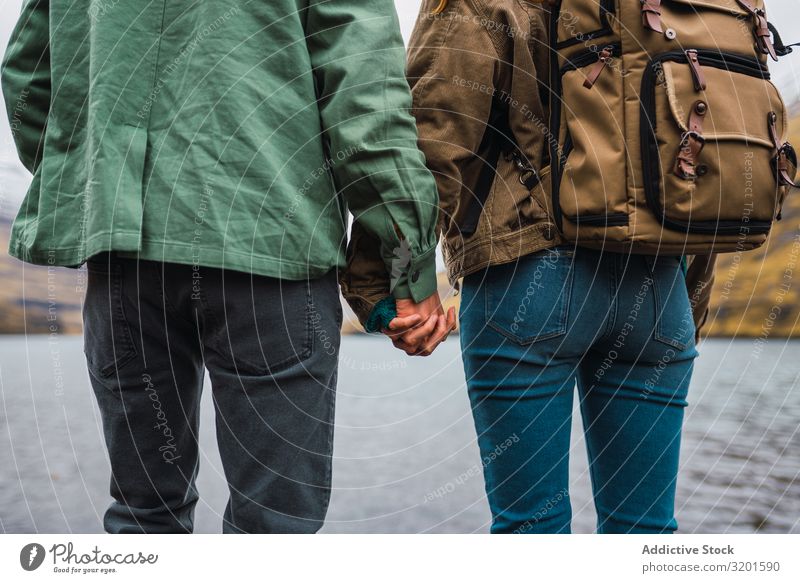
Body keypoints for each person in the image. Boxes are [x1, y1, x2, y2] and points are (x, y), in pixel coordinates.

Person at [2, 0, 454, 533]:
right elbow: (365, 104)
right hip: (271, 249)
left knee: (144, 517)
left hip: (126, 258)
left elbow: (29, 74)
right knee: (273, 528)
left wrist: (96, 183)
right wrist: (408, 262)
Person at [342, 0, 717, 534]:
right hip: (658, 286)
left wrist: (388, 288)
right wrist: (688, 300)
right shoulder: (680, 7)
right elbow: (707, 171)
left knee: (530, 532)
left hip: (525, 281)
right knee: (647, 535)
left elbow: (434, 134)